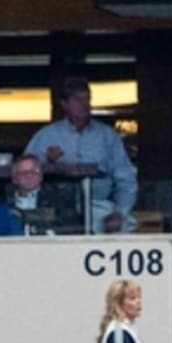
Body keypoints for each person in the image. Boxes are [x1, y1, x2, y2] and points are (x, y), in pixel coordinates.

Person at [23, 78, 139, 234]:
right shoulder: (47, 135)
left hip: (98, 206)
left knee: (126, 226)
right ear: (64, 105)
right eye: (78, 100)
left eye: (87, 99)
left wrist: (120, 212)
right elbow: (23, 175)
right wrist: (48, 163)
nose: (85, 105)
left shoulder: (107, 136)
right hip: (54, 208)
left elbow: (126, 179)